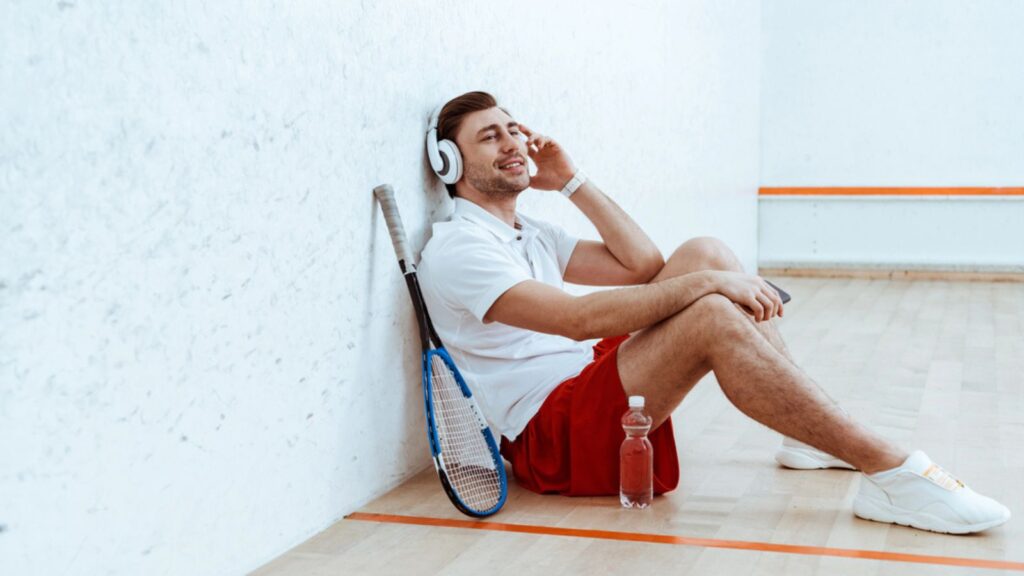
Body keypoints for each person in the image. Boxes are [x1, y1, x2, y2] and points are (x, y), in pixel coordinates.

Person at [416, 91, 1010, 534]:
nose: (515, 143)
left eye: (514, 129)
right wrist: (709, 288)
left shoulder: (529, 231)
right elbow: (579, 320)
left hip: (585, 379)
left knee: (706, 250)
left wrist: (571, 181)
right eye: (491, 137)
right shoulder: (460, 249)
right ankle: (889, 472)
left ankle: (804, 438)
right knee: (711, 311)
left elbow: (643, 262)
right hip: (554, 433)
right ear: (449, 164)